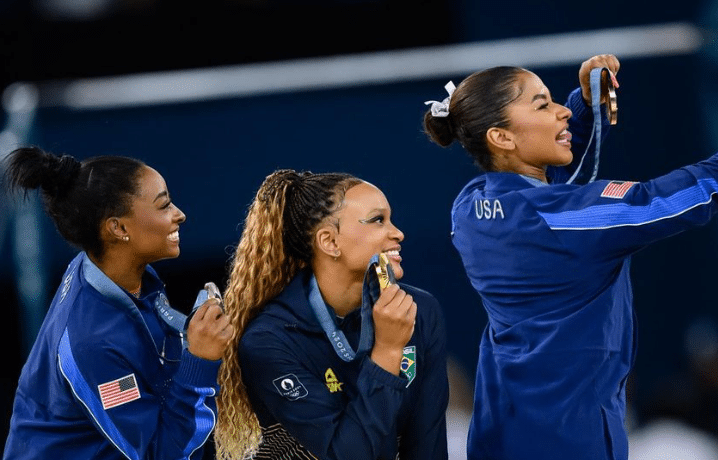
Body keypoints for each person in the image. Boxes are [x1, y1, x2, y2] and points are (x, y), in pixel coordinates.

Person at [422, 53, 718, 460]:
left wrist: (585, 102)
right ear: (501, 137)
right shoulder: (562, 221)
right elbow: (663, 200)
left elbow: (548, 183)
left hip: (504, 430)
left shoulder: (469, 209)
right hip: (567, 436)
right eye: (542, 104)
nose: (560, 111)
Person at [2, 146, 234, 460]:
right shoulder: (92, 342)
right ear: (118, 228)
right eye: (164, 205)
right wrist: (200, 361)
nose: (179, 214)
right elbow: (160, 455)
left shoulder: (115, 273)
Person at [213, 170, 449, 460]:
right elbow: (347, 455)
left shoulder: (419, 311)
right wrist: (388, 350)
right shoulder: (270, 340)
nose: (398, 233)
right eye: (378, 220)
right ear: (330, 242)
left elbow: (428, 443)